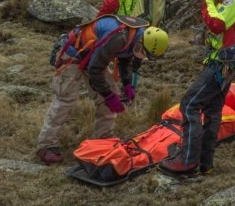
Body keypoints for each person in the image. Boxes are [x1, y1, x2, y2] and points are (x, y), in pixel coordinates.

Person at [159, 0, 235, 176]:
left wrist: (208, 1)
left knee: (189, 105)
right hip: (227, 60)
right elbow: (224, 31)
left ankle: (188, 161)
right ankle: (205, 163)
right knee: (212, 110)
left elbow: (218, 23)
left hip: (223, 62)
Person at [36, 16, 168, 165]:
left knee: (108, 99)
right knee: (66, 99)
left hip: (94, 56)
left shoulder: (138, 38)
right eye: (144, 53)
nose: (143, 57)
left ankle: (103, 139)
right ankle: (46, 145)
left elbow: (125, 59)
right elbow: (94, 70)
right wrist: (108, 95)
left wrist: (127, 84)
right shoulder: (119, 38)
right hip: (74, 53)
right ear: (142, 43)